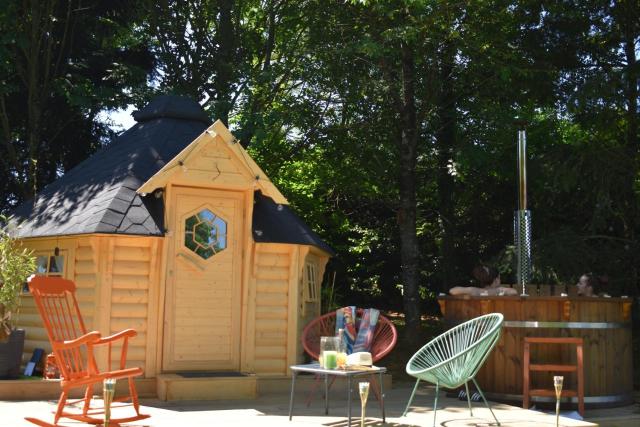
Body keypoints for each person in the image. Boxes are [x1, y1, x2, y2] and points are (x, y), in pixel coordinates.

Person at [449, 265, 518, 296]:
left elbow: (452, 290)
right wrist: (496, 291)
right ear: (496, 279)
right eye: (499, 278)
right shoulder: (501, 290)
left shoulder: (474, 290)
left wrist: (481, 292)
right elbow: (514, 292)